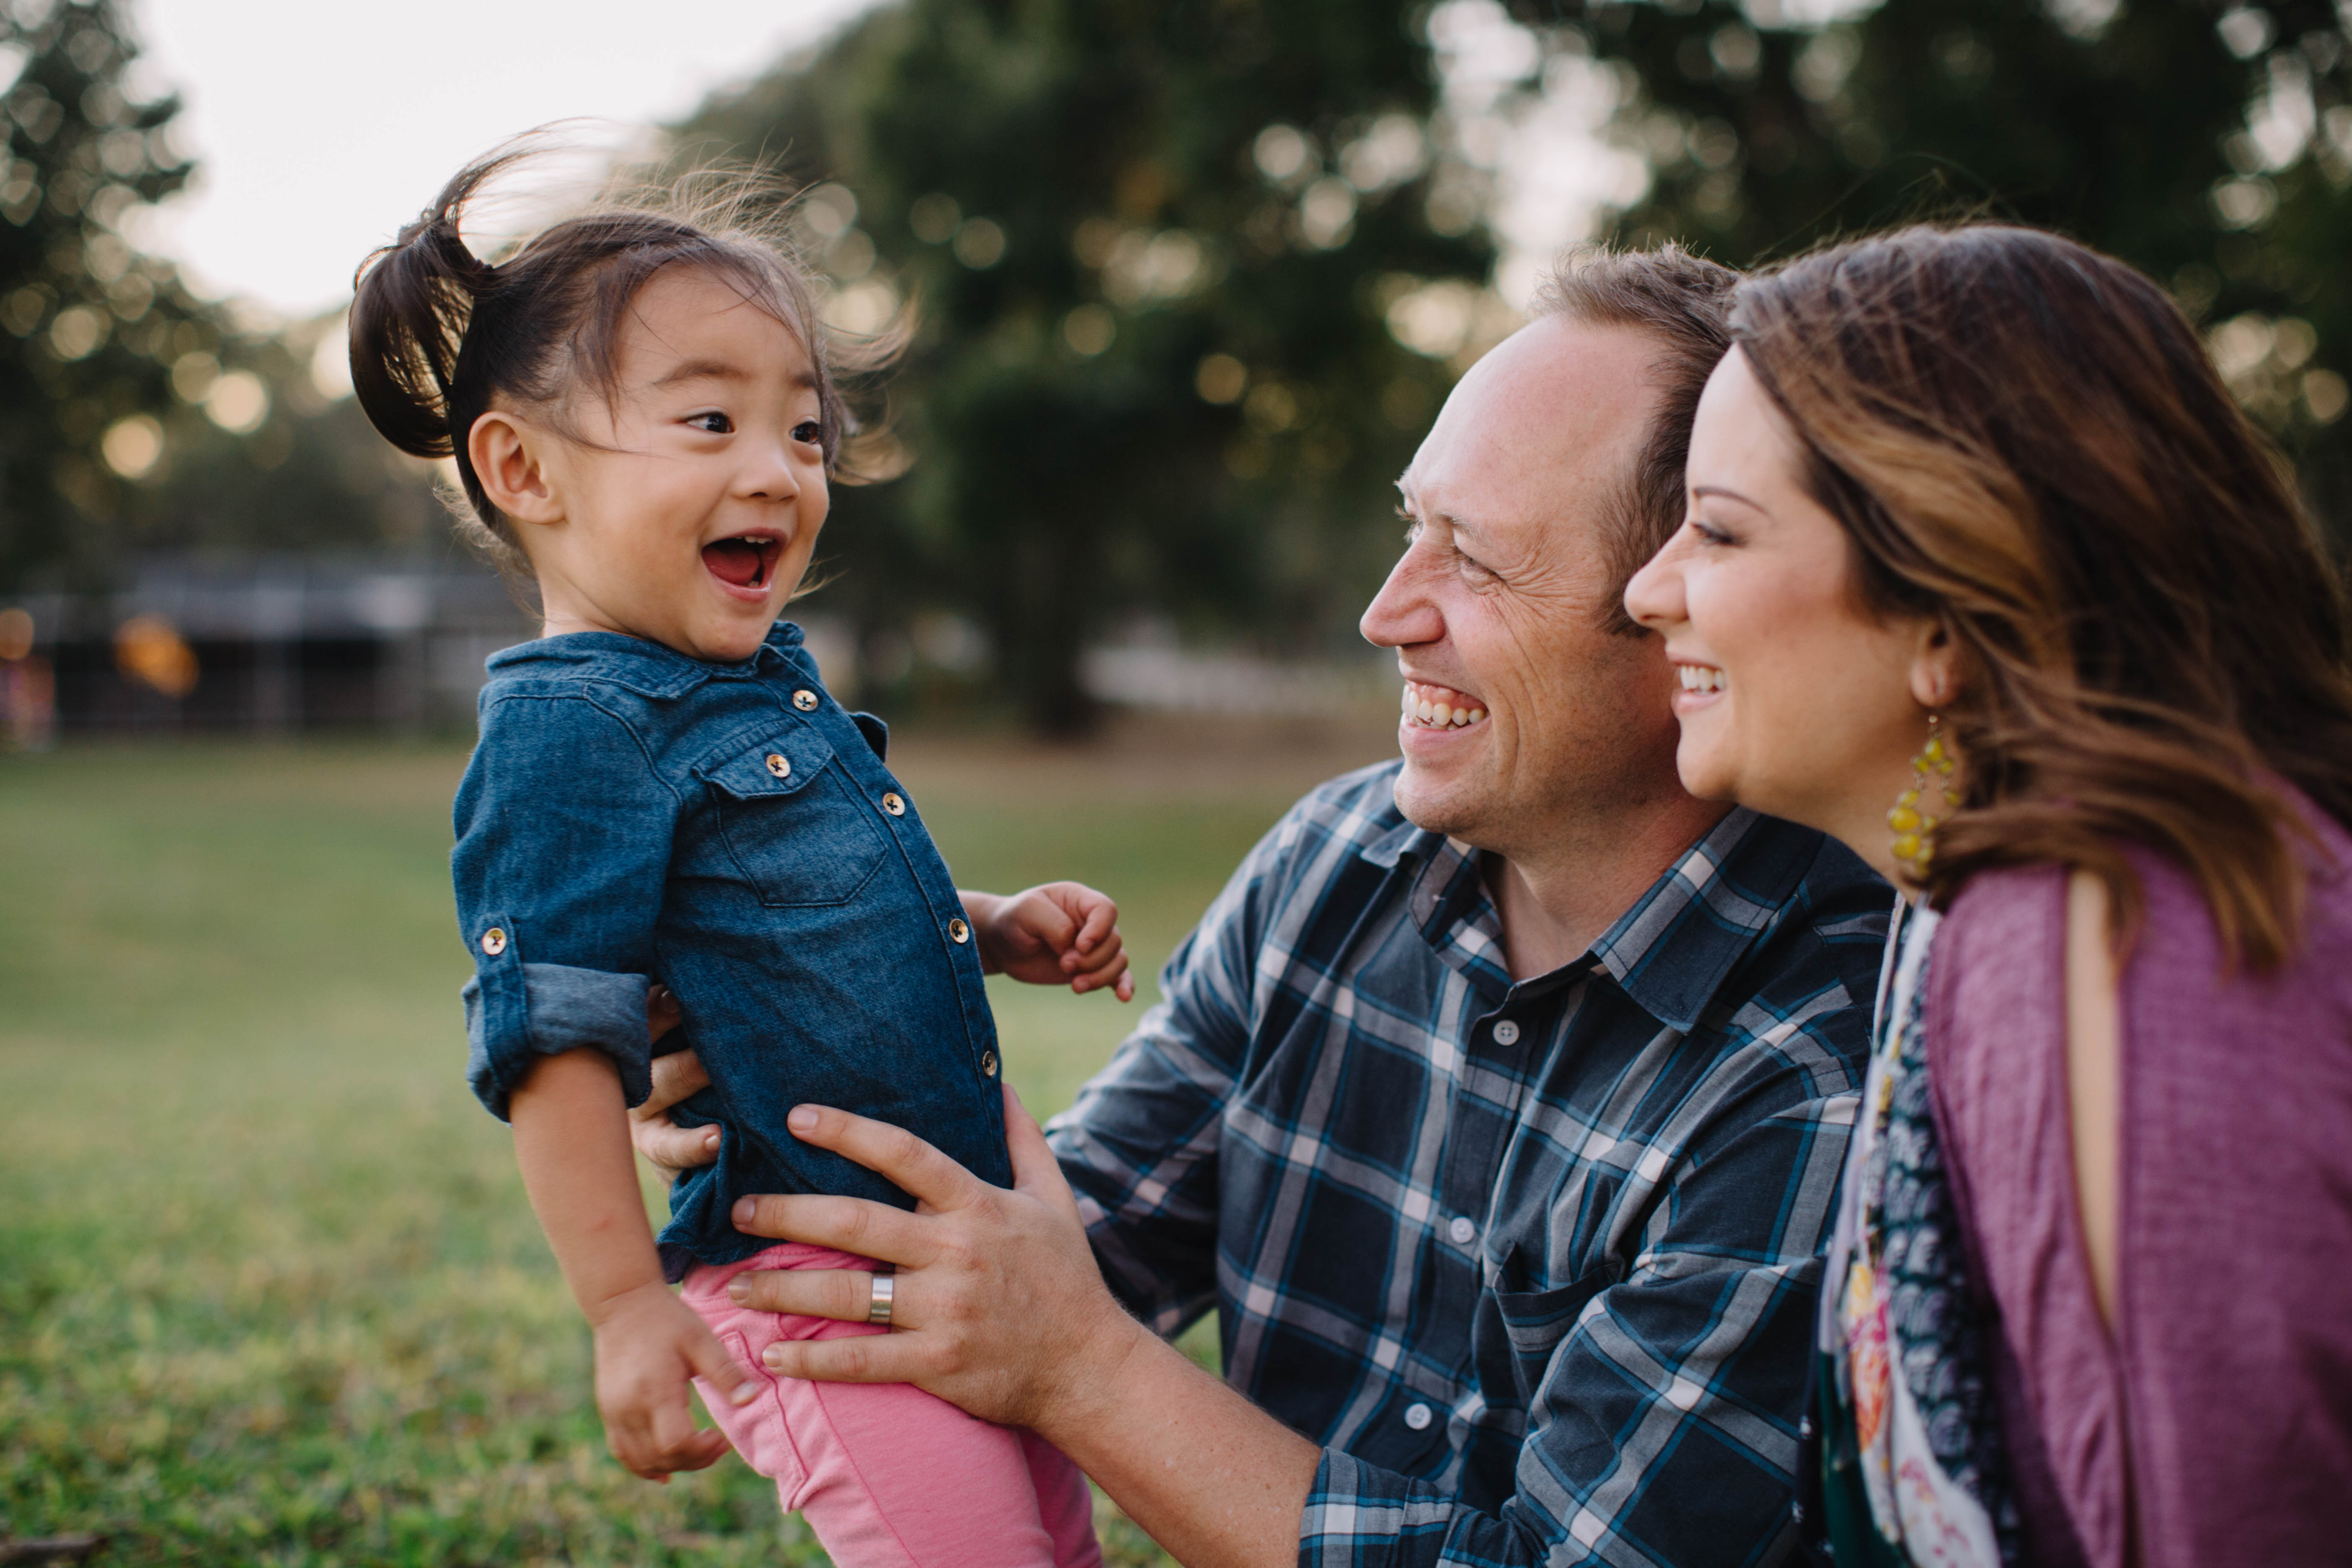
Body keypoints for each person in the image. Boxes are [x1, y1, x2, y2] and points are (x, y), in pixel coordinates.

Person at [636, 249, 1894, 1567]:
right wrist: (790, 1099)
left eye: (1476, 562)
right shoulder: (1338, 861)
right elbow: (1077, 1238)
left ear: (1685, 616)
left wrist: (1077, 1368)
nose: (1386, 612)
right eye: (1415, 528)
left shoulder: (1812, 1064)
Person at [347, 146, 1135, 1568]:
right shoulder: (570, 732)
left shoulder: (755, 676)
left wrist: (994, 923)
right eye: (710, 421)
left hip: (968, 1246)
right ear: (524, 470)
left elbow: (791, 913)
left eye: (808, 433)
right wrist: (621, 1306)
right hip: (811, 1280)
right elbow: (557, 1040)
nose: (777, 471)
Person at [1622, 225, 2352, 1566]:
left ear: (1952, 613)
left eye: (1718, 530)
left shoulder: (2134, 947)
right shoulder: (1993, 904)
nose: (1648, 588)